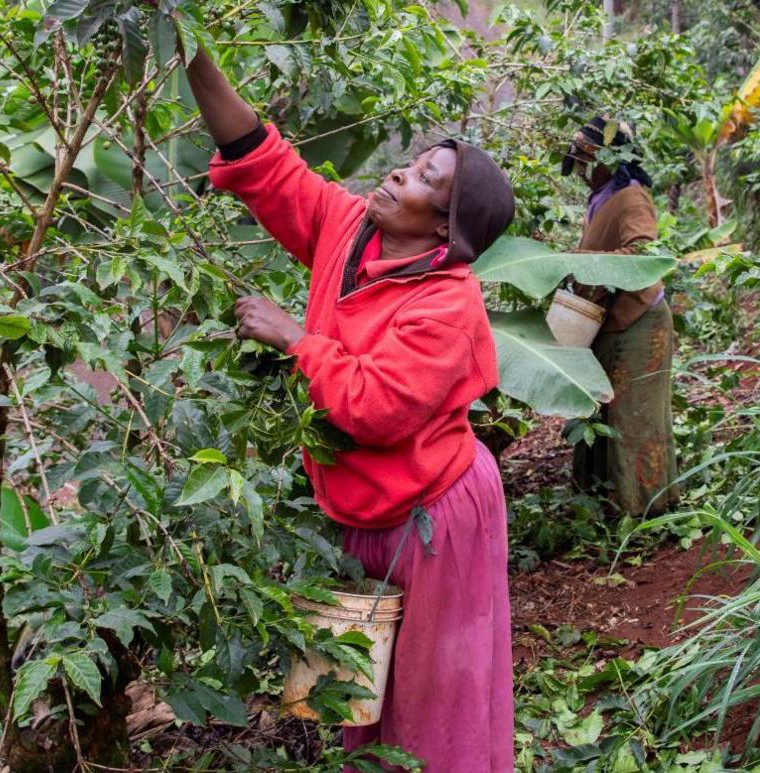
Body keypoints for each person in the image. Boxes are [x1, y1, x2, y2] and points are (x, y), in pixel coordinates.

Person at [183, 50, 516, 771]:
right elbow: (261, 162)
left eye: (428, 180)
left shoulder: (446, 304)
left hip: (435, 520)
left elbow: (374, 407)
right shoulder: (348, 229)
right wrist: (188, 49)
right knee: (359, 698)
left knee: (434, 704)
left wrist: (295, 337)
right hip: (364, 513)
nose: (400, 173)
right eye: (413, 163)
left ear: (445, 230)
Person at [561, 117, 678, 518]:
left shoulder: (631, 196)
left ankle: (640, 512)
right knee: (601, 412)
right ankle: (601, 505)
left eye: (586, 162)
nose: (580, 171)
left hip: (639, 321)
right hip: (607, 321)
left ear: (609, 160)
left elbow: (642, 254)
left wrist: (582, 262)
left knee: (634, 417)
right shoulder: (602, 198)